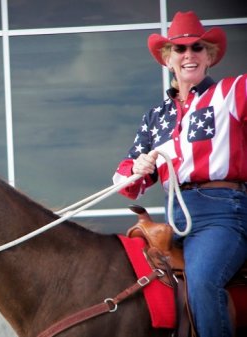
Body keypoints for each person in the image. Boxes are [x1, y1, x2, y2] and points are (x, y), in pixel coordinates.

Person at [112, 11, 247, 337]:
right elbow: (122, 181)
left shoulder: (230, 93)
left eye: (197, 48)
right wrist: (138, 167)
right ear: (167, 58)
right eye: (180, 49)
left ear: (209, 56)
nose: (189, 55)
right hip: (177, 219)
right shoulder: (156, 117)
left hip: (223, 214)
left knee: (201, 284)